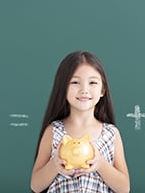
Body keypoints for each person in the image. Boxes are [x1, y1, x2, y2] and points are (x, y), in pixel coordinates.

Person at [31, 51, 130, 193]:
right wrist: (55, 166)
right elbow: (35, 185)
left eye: (93, 82)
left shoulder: (111, 134)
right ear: (63, 88)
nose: (84, 90)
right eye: (75, 82)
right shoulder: (53, 131)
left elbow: (124, 188)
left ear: (103, 90)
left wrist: (100, 164)